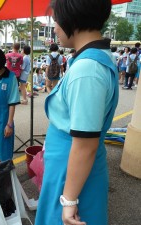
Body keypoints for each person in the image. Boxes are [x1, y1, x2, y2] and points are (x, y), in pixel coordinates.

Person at [35, 1, 119, 225]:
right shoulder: (90, 59)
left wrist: (69, 201)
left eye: (55, 20)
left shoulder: (87, 69)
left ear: (72, 18)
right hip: (71, 166)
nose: (55, 28)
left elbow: (85, 144)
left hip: (72, 170)